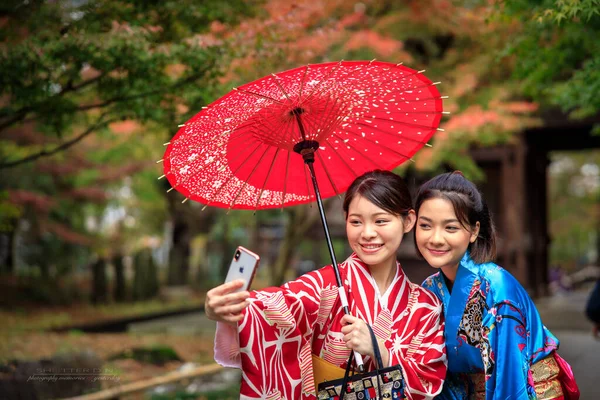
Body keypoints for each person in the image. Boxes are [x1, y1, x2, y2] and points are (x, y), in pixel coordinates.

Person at [206, 170, 447, 399]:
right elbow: (276, 306)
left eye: (381, 221)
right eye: (356, 222)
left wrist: (379, 350)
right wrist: (229, 310)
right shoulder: (324, 285)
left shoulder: (426, 306)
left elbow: (427, 383)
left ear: (408, 221)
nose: (367, 233)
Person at [416, 171, 580, 400]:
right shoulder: (430, 288)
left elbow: (511, 375)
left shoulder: (496, 287)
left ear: (474, 231)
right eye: (425, 226)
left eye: (450, 228)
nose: (435, 238)